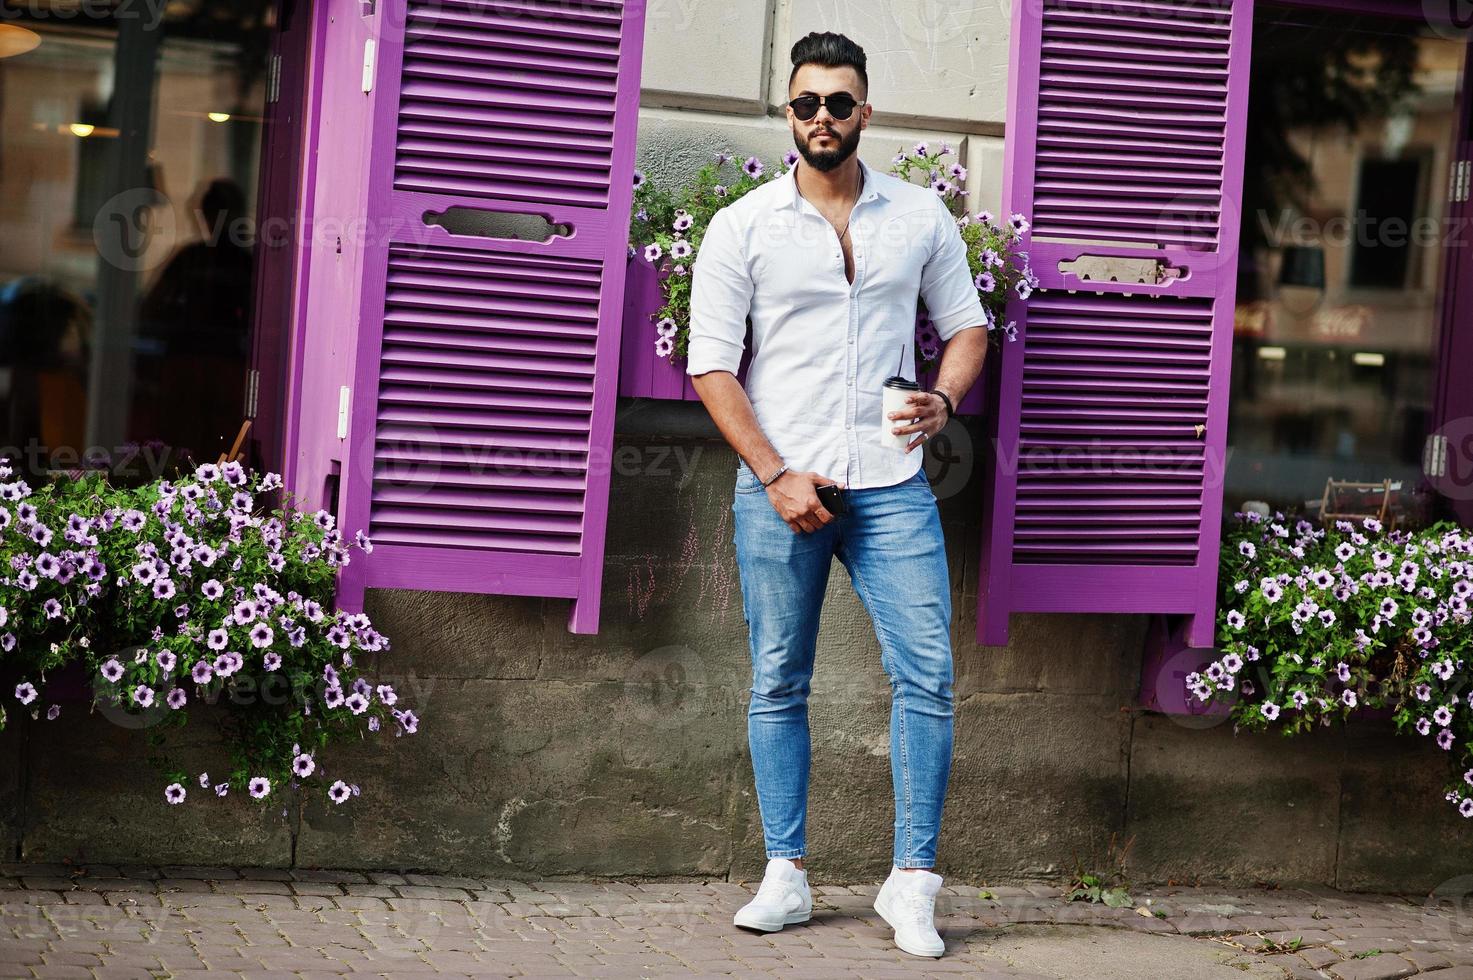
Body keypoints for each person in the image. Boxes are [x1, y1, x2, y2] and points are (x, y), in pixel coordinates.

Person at [685, 31, 990, 960]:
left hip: (893, 484)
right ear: (788, 114)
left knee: (927, 675)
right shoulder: (742, 224)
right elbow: (711, 365)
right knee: (778, 679)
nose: (823, 116)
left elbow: (968, 326)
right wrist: (774, 475)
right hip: (787, 482)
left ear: (866, 111)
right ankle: (785, 873)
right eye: (806, 102)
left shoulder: (920, 216)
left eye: (839, 101)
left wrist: (944, 396)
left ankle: (912, 884)